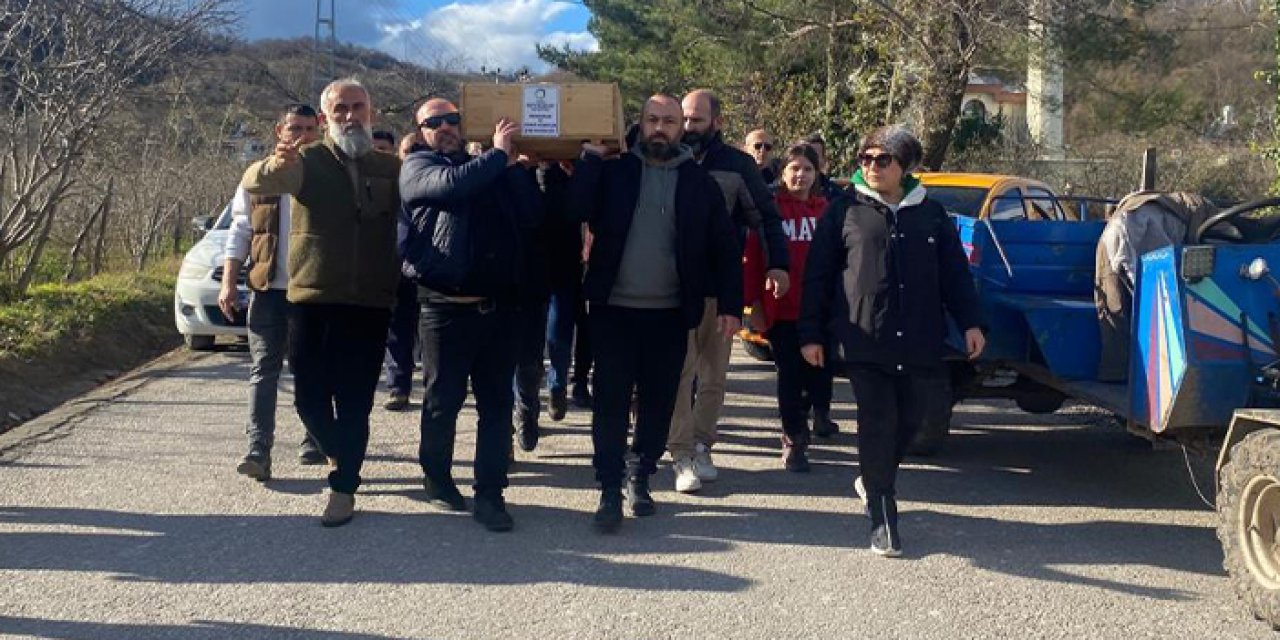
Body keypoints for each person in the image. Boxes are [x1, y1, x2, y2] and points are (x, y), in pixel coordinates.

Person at [799, 126, 985, 557]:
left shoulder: (931, 214)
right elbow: (819, 276)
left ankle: (872, 478)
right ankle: (882, 513)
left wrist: (972, 322)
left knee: (912, 419)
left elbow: (955, 276)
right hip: (866, 338)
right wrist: (811, 333)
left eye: (883, 160)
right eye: (865, 159)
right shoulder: (843, 210)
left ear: (906, 166)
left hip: (920, 338)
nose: (872, 167)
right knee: (878, 421)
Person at [568, 94, 742, 533]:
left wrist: (730, 305)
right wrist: (588, 161)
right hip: (613, 310)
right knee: (609, 402)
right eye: (652, 120)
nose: (660, 128)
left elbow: (724, 244)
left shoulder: (698, 182)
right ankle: (609, 486)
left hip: (669, 313)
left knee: (659, 404)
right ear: (640, 125)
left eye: (669, 121)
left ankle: (640, 475)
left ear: (681, 128)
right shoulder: (614, 172)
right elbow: (574, 210)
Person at [241, 78, 402, 527]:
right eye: (341, 109)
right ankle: (341, 452)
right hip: (312, 298)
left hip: (370, 302)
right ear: (326, 117)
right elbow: (258, 181)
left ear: (371, 112)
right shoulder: (307, 161)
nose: (351, 116)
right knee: (309, 400)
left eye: (359, 107)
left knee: (355, 401)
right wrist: (275, 162)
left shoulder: (390, 168)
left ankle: (343, 487)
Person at [400, 97, 542, 532]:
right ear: (421, 130)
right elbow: (452, 187)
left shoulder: (490, 165)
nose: (444, 126)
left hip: (499, 309)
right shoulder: (418, 167)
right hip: (444, 310)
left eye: (452, 119)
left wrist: (517, 168)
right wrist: (500, 153)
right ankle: (438, 478)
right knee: (443, 402)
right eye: (433, 122)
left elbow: (532, 216)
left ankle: (490, 495)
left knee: (497, 405)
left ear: (464, 125)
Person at [669, 88, 790, 494]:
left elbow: (767, 218)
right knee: (679, 373)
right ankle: (680, 454)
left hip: (722, 287)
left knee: (713, 375)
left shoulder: (738, 166)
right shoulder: (664, 158)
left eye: (696, 120)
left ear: (716, 122)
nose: (688, 127)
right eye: (683, 119)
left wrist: (777, 264)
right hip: (671, 287)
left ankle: (703, 445)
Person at [219, 104, 325, 480]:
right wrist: (230, 282)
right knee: (263, 370)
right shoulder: (257, 177)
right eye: (294, 127)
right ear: (279, 130)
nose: (301, 135)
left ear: (321, 130)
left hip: (312, 292)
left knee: (311, 371)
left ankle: (316, 437)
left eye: (309, 128)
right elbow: (240, 231)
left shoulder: (325, 173)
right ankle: (258, 449)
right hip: (267, 291)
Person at [743, 144, 835, 472]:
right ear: (782, 173)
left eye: (807, 169)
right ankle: (793, 438)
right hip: (781, 310)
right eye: (794, 168)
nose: (800, 175)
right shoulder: (770, 212)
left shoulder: (827, 212)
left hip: (819, 312)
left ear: (817, 173)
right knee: (790, 376)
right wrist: (753, 303)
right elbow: (753, 260)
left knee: (817, 376)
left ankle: (808, 416)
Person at [803, 133, 845, 202]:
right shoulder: (784, 194)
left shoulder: (837, 196)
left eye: (814, 155)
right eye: (805, 155)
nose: (808, 160)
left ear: (824, 160)